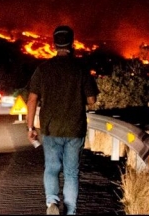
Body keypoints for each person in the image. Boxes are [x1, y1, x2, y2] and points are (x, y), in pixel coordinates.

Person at [27, 25, 98, 215]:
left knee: (51, 168)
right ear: (72, 43)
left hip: (51, 129)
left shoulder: (43, 69)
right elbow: (92, 101)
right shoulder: (80, 69)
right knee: (71, 173)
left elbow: (32, 99)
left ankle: (51, 201)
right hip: (75, 129)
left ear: (54, 44)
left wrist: (30, 127)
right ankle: (70, 211)